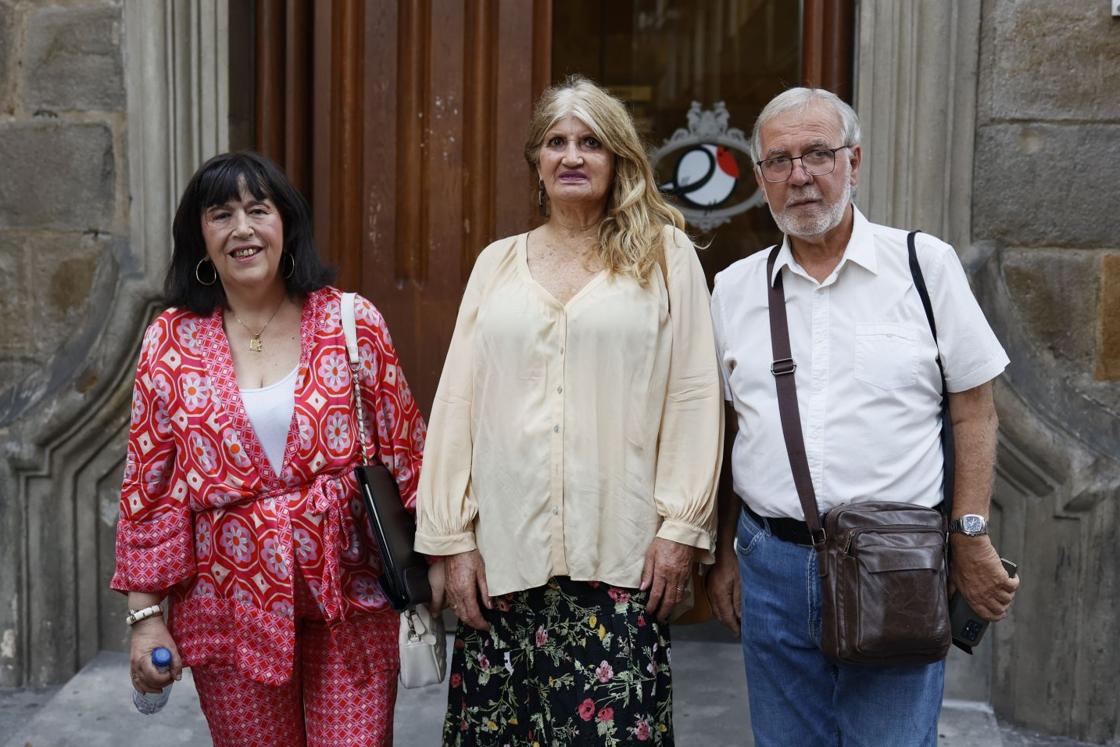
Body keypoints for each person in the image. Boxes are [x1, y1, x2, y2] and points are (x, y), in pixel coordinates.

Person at [705, 87, 1021, 745]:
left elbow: (975, 409)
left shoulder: (923, 266)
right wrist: (727, 552)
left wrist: (969, 533)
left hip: (895, 563)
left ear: (854, 160)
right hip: (772, 564)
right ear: (761, 177)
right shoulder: (734, 288)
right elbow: (735, 430)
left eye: (818, 154)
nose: (800, 175)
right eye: (780, 160)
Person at [415, 75, 723, 745]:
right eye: (557, 141)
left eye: (590, 141)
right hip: (503, 567)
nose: (572, 155)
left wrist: (682, 526)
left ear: (618, 158)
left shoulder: (663, 256)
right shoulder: (497, 263)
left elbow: (696, 393)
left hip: (620, 561)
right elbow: (459, 400)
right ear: (537, 161)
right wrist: (451, 538)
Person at [111, 151, 435, 746]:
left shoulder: (350, 322)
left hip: (351, 602)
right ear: (199, 237)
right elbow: (149, 491)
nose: (242, 229)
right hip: (229, 611)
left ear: (286, 225)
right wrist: (145, 618)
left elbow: (408, 453)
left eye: (258, 209)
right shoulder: (170, 341)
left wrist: (445, 559)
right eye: (221, 214)